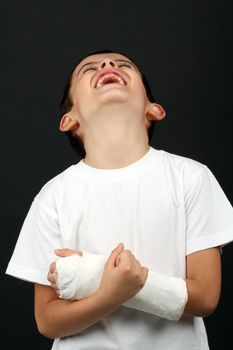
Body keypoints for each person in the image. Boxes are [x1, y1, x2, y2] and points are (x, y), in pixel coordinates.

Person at [6, 50, 233, 350]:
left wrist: (108, 279)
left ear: (153, 109)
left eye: (124, 65)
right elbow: (47, 320)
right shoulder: (53, 196)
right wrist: (110, 294)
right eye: (89, 69)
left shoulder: (191, 178)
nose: (107, 65)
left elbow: (205, 296)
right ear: (69, 120)